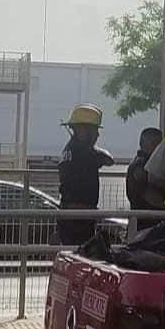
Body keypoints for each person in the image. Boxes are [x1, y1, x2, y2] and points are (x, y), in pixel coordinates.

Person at [57, 104, 114, 246]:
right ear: (82, 129)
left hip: (72, 213)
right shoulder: (84, 152)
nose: (97, 135)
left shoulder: (69, 150)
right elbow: (109, 160)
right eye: (94, 131)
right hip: (79, 216)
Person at [126, 127, 163, 231]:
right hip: (145, 223)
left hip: (143, 221)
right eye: (157, 144)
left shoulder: (142, 163)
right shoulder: (141, 166)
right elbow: (149, 196)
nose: (161, 148)